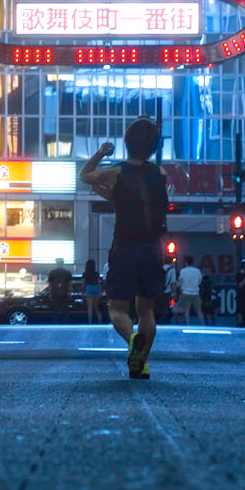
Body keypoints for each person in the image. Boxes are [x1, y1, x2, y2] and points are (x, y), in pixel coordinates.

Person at [80, 117, 169, 379]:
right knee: (146, 310)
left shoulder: (116, 172)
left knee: (117, 308)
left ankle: (132, 340)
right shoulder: (160, 174)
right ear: (153, 147)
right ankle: (140, 363)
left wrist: (100, 153)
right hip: (152, 247)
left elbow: (84, 176)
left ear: (127, 143)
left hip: (125, 247)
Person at [177, 254, 205, 322]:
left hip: (185, 293)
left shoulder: (183, 271)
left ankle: (187, 324)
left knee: (186, 311)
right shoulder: (197, 271)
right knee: (199, 311)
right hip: (195, 293)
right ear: (193, 262)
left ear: (186, 263)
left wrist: (180, 290)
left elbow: (180, 282)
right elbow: (199, 282)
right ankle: (203, 324)